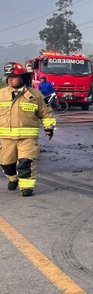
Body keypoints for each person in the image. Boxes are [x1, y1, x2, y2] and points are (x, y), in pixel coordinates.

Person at [1, 62, 55, 197]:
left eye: (13, 76)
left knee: (26, 162)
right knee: (7, 164)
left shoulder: (35, 95)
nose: (10, 80)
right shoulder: (1, 94)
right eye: (8, 77)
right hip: (7, 139)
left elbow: (46, 113)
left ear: (23, 78)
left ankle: (26, 188)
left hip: (28, 138)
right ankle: (13, 179)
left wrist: (49, 128)